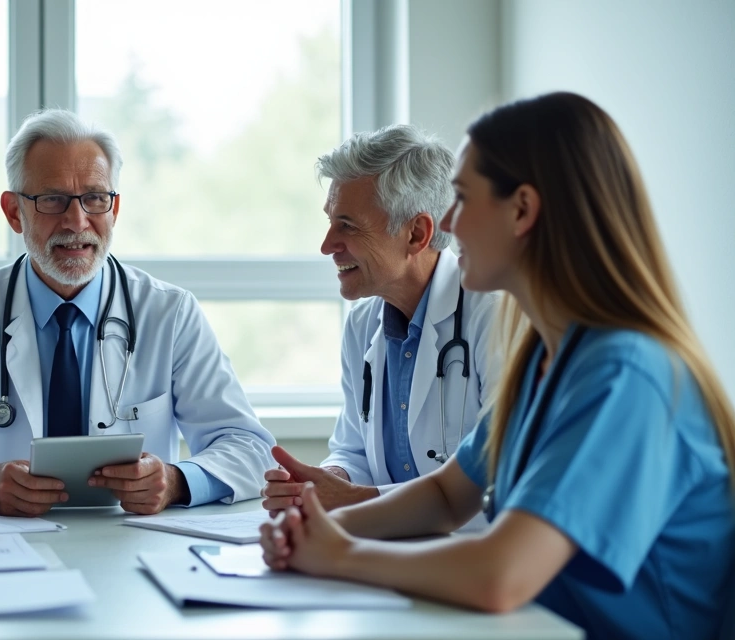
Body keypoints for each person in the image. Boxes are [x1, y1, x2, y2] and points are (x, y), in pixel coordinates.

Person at [259, 92, 735, 640]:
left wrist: (340, 555)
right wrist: (312, 529)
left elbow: (500, 576)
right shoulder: (546, 359)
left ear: (523, 210)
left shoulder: (624, 374)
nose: (449, 223)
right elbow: (445, 496)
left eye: (461, 198)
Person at [0, 109, 275, 516]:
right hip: (11, 545)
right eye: (53, 200)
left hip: (134, 543)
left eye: (95, 198)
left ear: (114, 210)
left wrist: (175, 481)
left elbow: (250, 448)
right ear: (14, 212)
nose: (77, 220)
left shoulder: (170, 313)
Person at [262, 125, 497, 527]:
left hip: (468, 557)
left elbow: (495, 484)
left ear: (417, 234)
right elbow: (352, 449)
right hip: (386, 550)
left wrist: (360, 500)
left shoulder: (492, 314)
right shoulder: (363, 324)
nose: (326, 245)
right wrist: (327, 483)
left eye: (348, 226)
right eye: (330, 222)